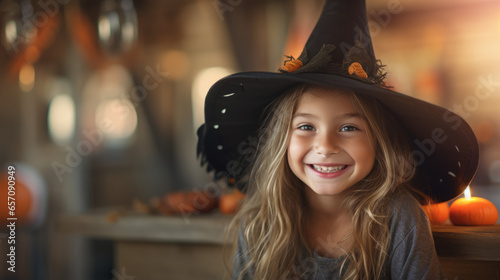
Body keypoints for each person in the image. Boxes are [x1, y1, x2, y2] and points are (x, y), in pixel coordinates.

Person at [196, 0, 479, 279]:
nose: (326, 146)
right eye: (306, 126)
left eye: (348, 128)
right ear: (281, 139)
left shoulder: (398, 217)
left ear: (380, 142)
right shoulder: (261, 221)